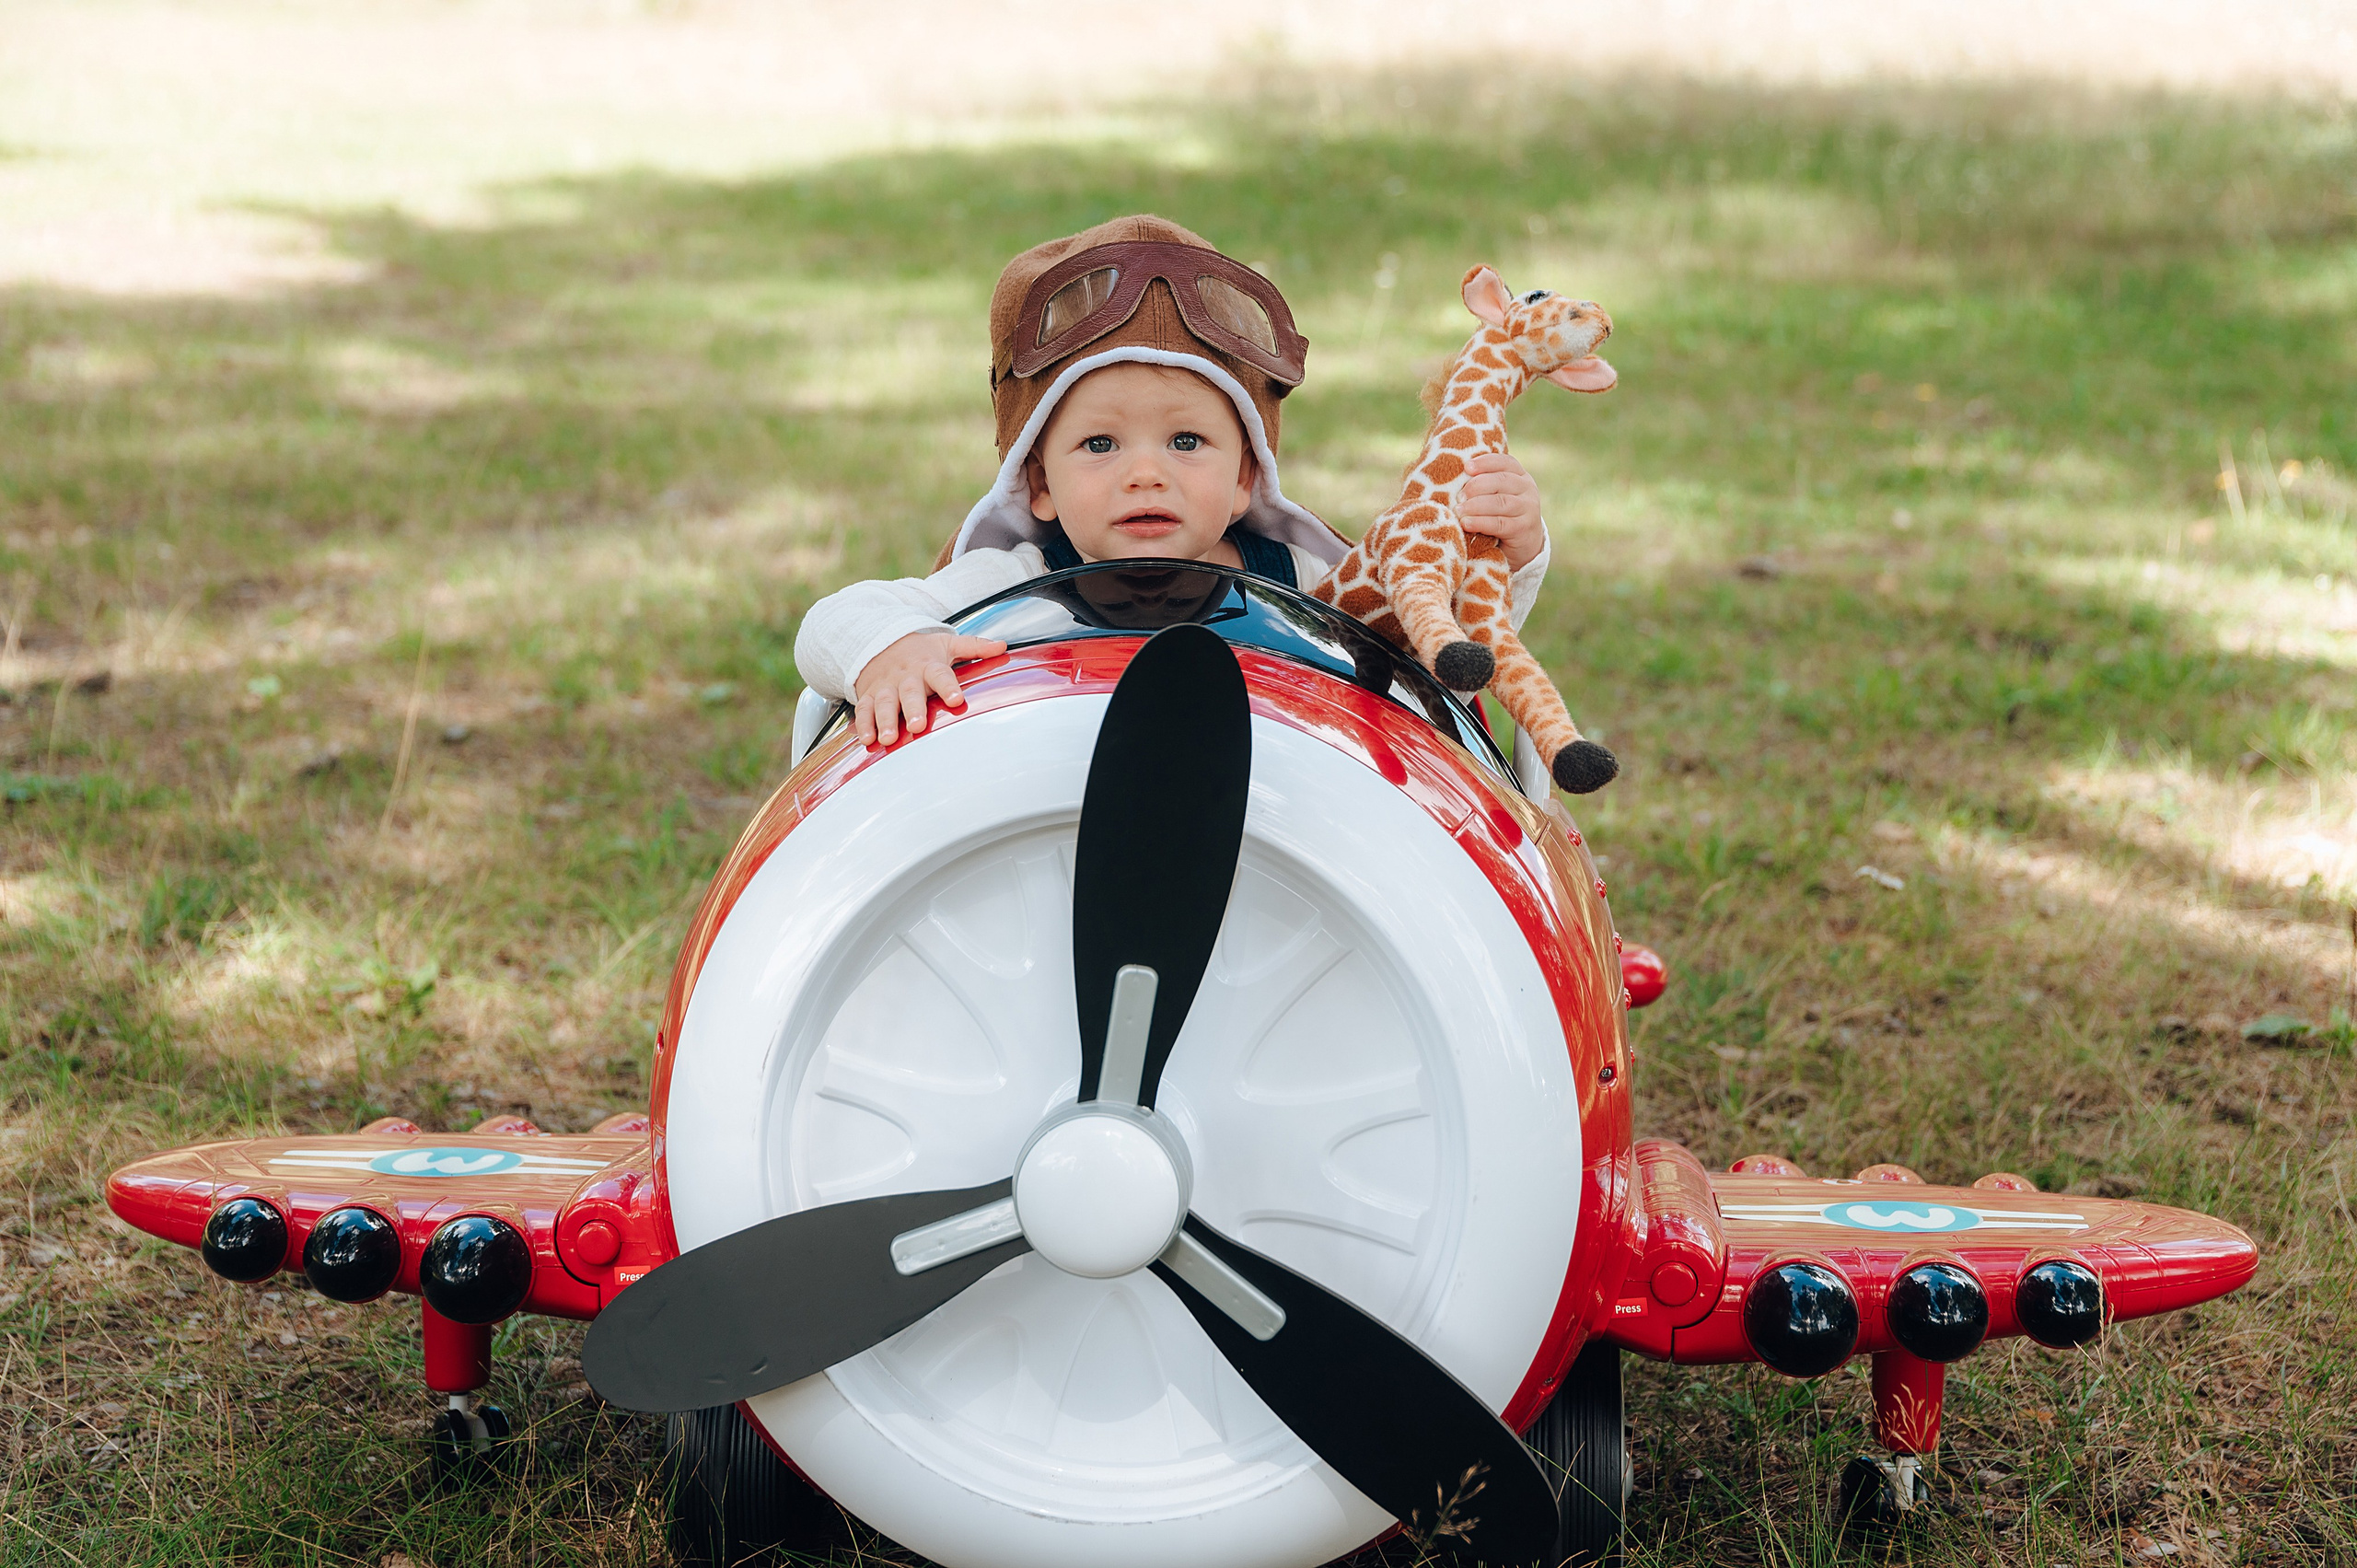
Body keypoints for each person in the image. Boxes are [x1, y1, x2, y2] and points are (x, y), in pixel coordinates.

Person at [792, 215, 1557, 745]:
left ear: (1245, 477)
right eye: (1099, 444)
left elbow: (1438, 668)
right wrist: (891, 648)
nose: (1145, 474)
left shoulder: (1306, 584)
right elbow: (834, 620)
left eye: (1186, 441)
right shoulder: (1012, 584)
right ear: (1040, 484)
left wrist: (1511, 553)